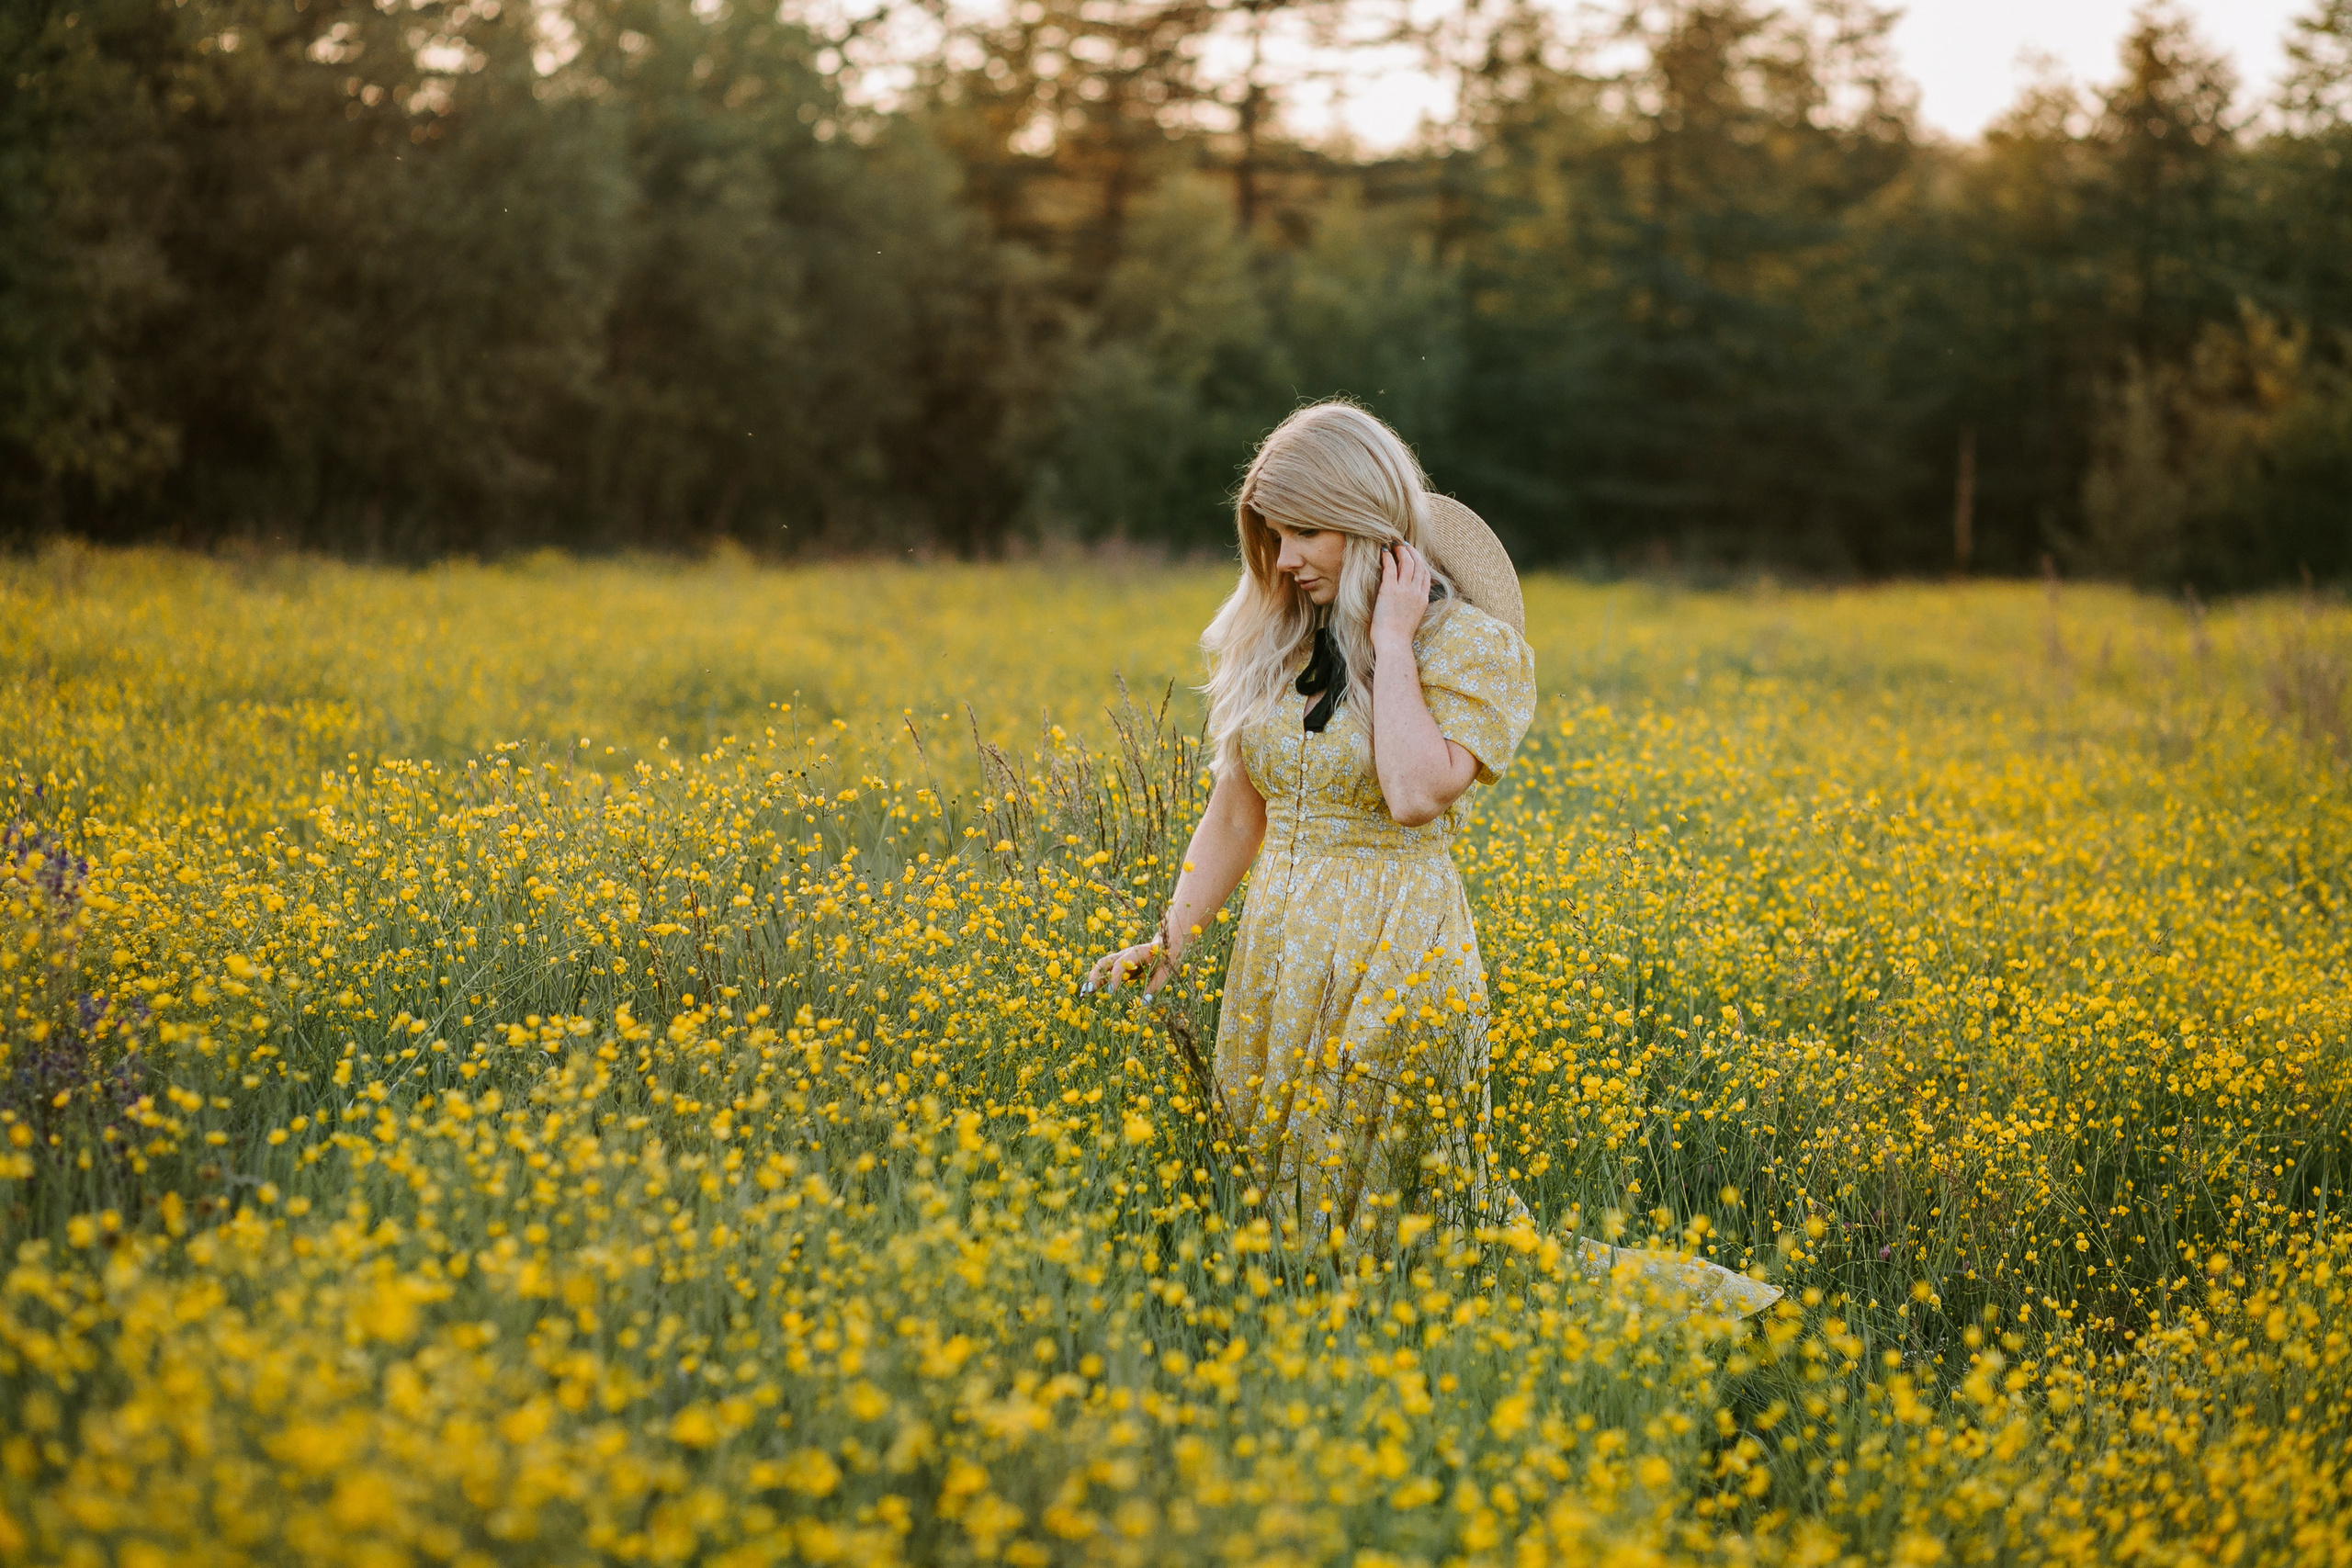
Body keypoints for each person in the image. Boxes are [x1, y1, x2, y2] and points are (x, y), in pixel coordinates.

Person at [1084, 401, 1777, 1315]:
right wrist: (1170, 939)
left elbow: (1414, 794)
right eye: (1271, 535)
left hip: (1396, 959)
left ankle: (1710, 1318)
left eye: (1305, 533)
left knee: (1427, 1226)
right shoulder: (1280, 636)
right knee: (1282, 1210)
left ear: (1370, 524)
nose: (1283, 559)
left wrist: (1390, 642)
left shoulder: (1469, 648)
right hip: (1276, 962)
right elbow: (1232, 816)